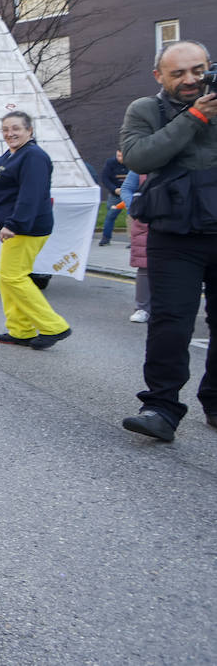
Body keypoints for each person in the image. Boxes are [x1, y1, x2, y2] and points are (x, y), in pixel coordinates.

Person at [118, 39, 217, 442]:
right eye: (178, 73)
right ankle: (161, 407)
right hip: (174, 237)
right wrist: (193, 116)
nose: (190, 79)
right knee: (170, 324)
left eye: (198, 70)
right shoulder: (145, 110)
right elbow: (139, 157)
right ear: (159, 76)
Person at [0, 111, 71, 350]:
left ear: (29, 130)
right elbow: (6, 177)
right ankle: (21, 329)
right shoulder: (16, 154)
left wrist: (14, 224)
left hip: (25, 228)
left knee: (13, 277)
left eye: (16, 129)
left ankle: (53, 326)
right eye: (6, 129)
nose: (10, 133)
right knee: (8, 278)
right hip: (18, 227)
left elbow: (31, 194)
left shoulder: (33, 156)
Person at [120, 170, 150, 323]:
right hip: (146, 221)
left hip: (175, 221)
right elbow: (126, 189)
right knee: (144, 266)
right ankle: (142, 308)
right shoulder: (141, 163)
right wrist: (136, 208)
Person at [97, 149, 126, 246]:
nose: (120, 158)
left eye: (122, 156)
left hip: (129, 193)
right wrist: (114, 189)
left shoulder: (133, 162)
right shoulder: (110, 163)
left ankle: (134, 240)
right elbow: (105, 178)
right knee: (110, 215)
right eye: (118, 156)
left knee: (132, 217)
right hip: (115, 194)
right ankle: (106, 237)